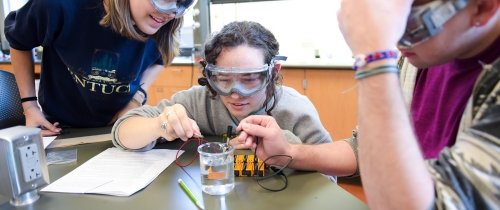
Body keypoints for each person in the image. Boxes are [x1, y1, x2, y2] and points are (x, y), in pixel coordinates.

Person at [236, 0, 499, 209]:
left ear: (484, 6)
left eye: (410, 23)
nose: (395, 40)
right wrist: (289, 151)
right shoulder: (420, 57)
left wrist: (374, 57)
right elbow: (364, 150)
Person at [111, 21, 356, 177]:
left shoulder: (295, 110)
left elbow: (330, 174)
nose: (235, 93)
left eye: (250, 79)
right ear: (208, 74)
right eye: (223, 79)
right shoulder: (199, 101)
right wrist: (158, 125)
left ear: (273, 73)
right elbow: (123, 132)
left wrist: (289, 149)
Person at [4, 0, 196, 136]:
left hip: (119, 127)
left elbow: (160, 59)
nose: (170, 12)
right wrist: (29, 106)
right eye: (162, 0)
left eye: (181, 3)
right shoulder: (57, 5)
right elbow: (19, 40)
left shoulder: (167, 22)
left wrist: (136, 99)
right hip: (59, 127)